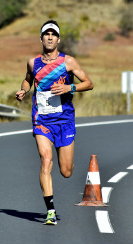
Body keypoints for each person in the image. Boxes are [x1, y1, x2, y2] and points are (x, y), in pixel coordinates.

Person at [15, 20, 94, 225]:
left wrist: (70, 88)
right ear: (40, 38)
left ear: (58, 39)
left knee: (66, 171)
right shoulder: (33, 62)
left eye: (53, 34)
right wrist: (24, 89)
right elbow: (28, 79)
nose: (49, 37)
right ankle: (50, 211)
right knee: (45, 159)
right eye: (46, 34)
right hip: (41, 119)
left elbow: (89, 83)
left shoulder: (68, 62)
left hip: (64, 120)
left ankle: (65, 159)